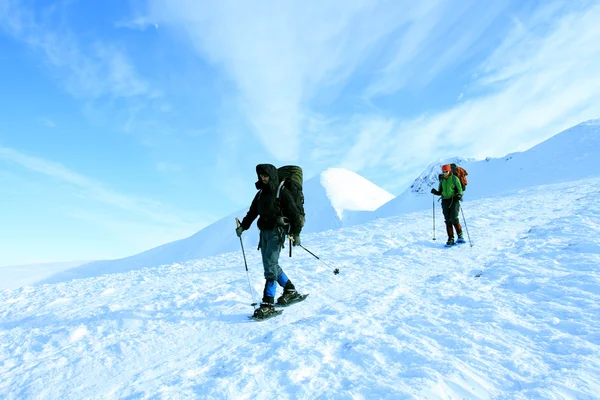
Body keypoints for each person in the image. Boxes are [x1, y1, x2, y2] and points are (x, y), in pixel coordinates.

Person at [236, 164, 303, 318]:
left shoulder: (282, 192)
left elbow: (294, 214)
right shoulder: (260, 194)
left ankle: (268, 303)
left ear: (271, 175)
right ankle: (290, 289)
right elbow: (252, 212)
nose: (262, 178)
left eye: (265, 175)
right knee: (270, 264)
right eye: (260, 176)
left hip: (276, 232)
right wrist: (243, 227)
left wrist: (296, 233)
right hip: (264, 233)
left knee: (270, 266)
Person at [431, 164, 464, 246]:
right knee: (447, 219)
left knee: (454, 218)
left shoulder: (454, 179)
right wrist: (435, 192)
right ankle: (451, 238)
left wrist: (459, 195)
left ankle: (460, 236)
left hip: (454, 199)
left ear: (449, 171)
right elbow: (440, 191)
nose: (445, 173)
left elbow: (460, 190)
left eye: (446, 171)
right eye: (443, 171)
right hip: (445, 201)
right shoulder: (442, 180)